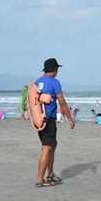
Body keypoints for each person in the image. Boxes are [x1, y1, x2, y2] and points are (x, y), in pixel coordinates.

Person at [34, 58, 75, 187]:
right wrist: (70, 118)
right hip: (49, 120)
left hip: (39, 121)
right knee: (46, 148)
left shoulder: (37, 82)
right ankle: (40, 180)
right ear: (55, 69)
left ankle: (50, 174)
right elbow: (62, 102)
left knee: (53, 144)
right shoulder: (54, 82)